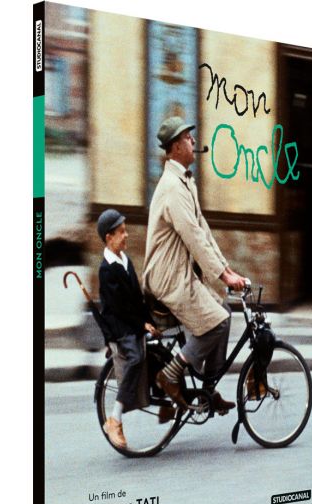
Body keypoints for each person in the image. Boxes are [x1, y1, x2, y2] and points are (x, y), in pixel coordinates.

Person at [142, 116, 249, 412]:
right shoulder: (173, 187)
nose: (193, 141)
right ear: (176, 147)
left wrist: (227, 271)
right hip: (168, 278)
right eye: (188, 138)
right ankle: (170, 374)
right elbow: (193, 237)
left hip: (180, 274)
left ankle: (207, 392)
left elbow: (203, 231)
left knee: (224, 312)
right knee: (218, 322)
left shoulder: (185, 182)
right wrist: (223, 277)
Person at [97, 209, 161, 448]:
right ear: (109, 238)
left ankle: (167, 400)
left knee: (158, 350)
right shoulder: (107, 268)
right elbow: (119, 307)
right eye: (121, 232)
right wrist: (140, 324)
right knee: (135, 358)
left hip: (132, 321)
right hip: (120, 326)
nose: (126, 235)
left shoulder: (125, 260)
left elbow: (136, 299)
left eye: (125, 231)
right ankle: (115, 419)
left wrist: (149, 322)